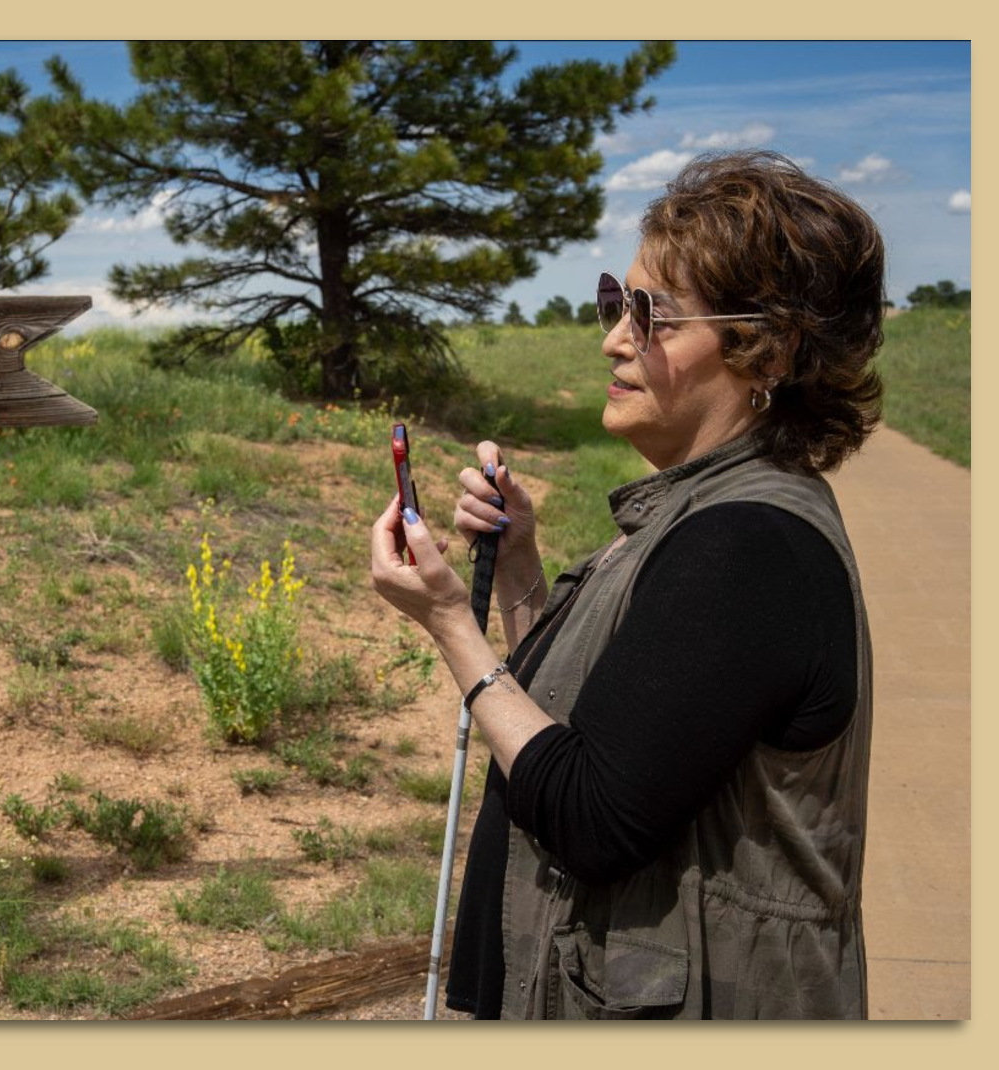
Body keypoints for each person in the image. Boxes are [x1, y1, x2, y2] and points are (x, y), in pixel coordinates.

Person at [369, 150, 885, 1019]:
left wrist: (451, 628)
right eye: (620, 300)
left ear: (768, 351)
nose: (613, 335)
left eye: (654, 316)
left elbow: (592, 815)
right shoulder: (701, 518)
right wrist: (521, 563)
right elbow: (599, 728)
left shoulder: (748, 545)